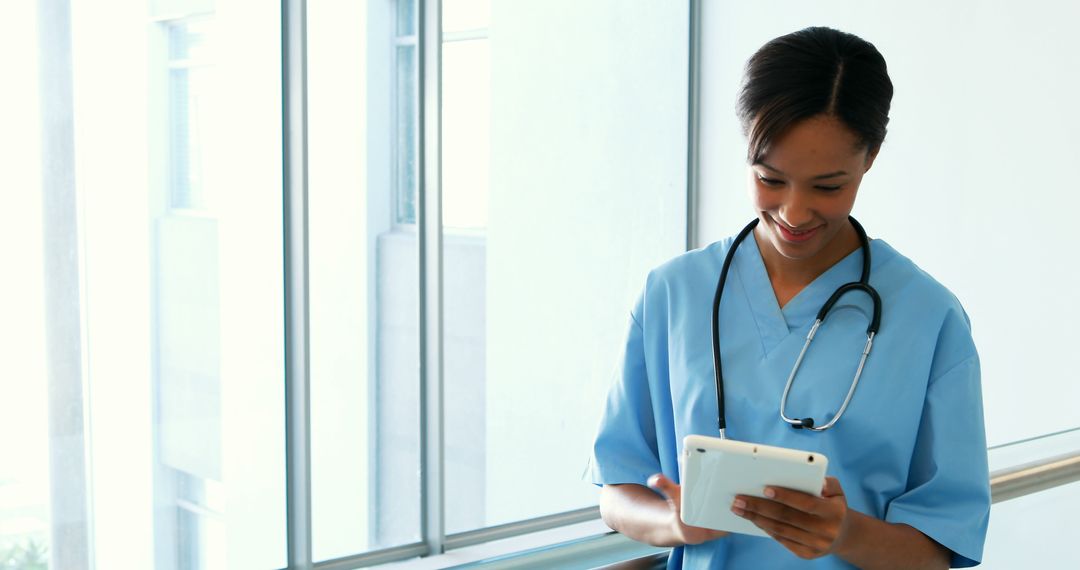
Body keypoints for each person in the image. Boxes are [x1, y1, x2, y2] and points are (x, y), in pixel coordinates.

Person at [585, 27, 991, 569]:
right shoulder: (673, 294)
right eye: (770, 179)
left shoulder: (929, 318)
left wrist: (843, 534)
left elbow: (943, 549)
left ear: (868, 159)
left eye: (828, 186)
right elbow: (617, 491)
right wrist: (674, 523)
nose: (795, 214)